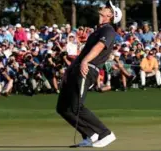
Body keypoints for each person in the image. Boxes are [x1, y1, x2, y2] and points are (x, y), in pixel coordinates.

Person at [56, 0, 122, 148]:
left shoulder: (108, 30)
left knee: (76, 107)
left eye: (107, 8)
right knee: (63, 108)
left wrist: (85, 62)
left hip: (88, 69)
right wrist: (69, 69)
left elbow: (99, 47)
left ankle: (105, 133)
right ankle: (90, 135)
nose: (103, 8)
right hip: (77, 68)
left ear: (110, 15)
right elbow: (83, 53)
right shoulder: (97, 31)